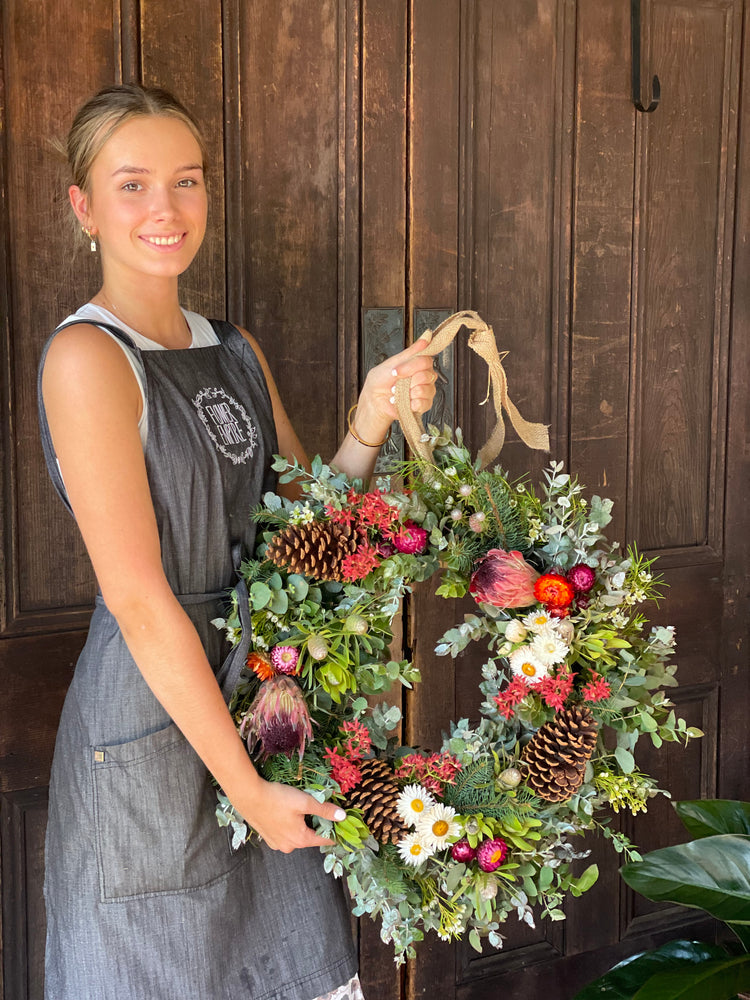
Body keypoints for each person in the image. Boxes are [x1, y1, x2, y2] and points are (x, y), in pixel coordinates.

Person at [38, 84, 437, 1000]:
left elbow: (310, 529)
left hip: (266, 710)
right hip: (154, 717)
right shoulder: (88, 358)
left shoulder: (236, 351)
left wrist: (370, 418)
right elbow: (140, 598)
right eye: (132, 185)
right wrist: (247, 792)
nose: (165, 210)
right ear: (83, 206)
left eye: (186, 181)